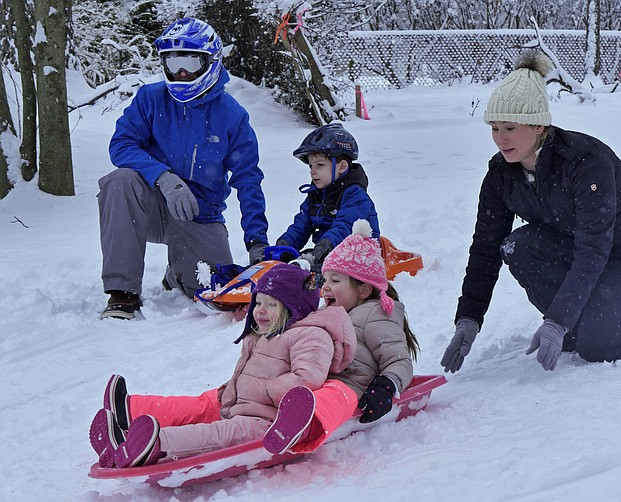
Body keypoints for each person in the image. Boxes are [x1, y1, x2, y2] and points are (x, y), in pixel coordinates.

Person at [441, 51, 621, 374]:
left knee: (601, 345)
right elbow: (485, 249)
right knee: (517, 247)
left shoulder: (586, 162)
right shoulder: (500, 175)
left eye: (509, 127)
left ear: (538, 126)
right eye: (494, 128)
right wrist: (468, 318)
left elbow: (593, 248)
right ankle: (576, 323)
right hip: (573, 244)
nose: (499, 138)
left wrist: (557, 320)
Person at [89, 263, 356, 468]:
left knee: (216, 433)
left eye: (271, 304)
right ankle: (125, 436)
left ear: (293, 308)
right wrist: (232, 392)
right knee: (203, 412)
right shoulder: (261, 334)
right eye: (258, 302)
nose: (259, 310)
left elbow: (307, 379)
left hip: (268, 421)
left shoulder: (311, 335)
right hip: (241, 406)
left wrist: (267, 388)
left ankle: (157, 444)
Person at [98, 17, 269, 320]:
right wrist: (163, 177)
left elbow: (248, 179)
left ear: (210, 62)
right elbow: (121, 145)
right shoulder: (149, 99)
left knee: (214, 292)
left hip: (199, 215)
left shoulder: (232, 116)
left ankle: (179, 273)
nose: (181, 72)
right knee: (119, 181)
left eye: (191, 62)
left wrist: (257, 241)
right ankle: (122, 293)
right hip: (149, 206)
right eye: (173, 61)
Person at [262, 220, 420, 455]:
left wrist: (388, 385)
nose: (325, 287)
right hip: (318, 382)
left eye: (335, 281)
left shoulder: (374, 314)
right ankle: (274, 416)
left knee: (334, 394)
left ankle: (304, 425)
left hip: (352, 387)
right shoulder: (330, 314)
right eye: (325, 279)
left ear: (364, 290)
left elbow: (399, 360)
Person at [275, 123, 380, 272]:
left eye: (320, 165)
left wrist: (326, 244)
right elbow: (301, 224)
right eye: (311, 166)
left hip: (360, 257)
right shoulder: (316, 195)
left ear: (342, 167)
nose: (313, 171)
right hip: (327, 254)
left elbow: (345, 226)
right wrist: (285, 244)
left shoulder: (355, 194)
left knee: (312, 272)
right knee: (293, 265)